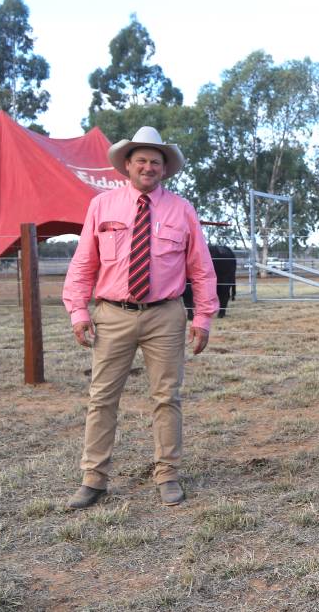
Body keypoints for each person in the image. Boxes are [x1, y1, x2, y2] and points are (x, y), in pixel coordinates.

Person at [62, 127, 218, 509]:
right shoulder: (102, 206)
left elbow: (201, 268)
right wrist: (79, 310)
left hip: (165, 316)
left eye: (156, 162)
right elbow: (84, 262)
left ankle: (167, 474)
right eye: (142, 161)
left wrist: (204, 317)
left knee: (167, 397)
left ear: (164, 169)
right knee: (102, 398)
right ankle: (93, 479)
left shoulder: (182, 210)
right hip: (112, 315)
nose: (148, 167)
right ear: (127, 166)